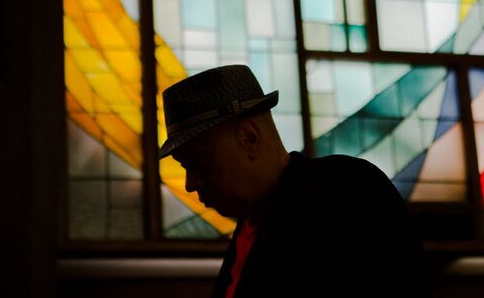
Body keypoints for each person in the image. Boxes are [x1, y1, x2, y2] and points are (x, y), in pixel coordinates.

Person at [159, 64, 426, 297]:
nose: (190, 184)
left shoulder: (347, 192)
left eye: (200, 163)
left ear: (249, 138)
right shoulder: (252, 222)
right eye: (185, 167)